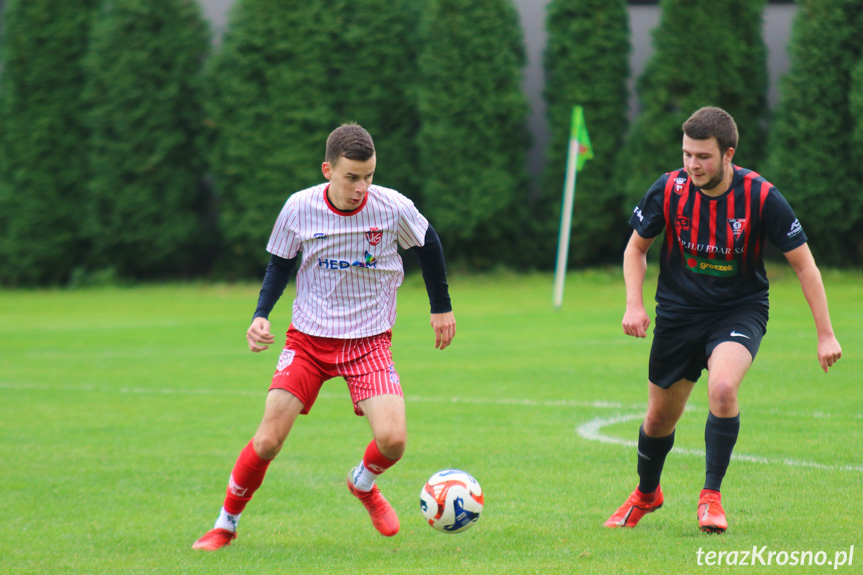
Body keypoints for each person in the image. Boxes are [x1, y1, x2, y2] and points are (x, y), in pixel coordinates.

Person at [193, 123, 456, 550]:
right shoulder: (298, 208)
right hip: (308, 342)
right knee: (267, 440)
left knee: (393, 441)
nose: (361, 187)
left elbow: (429, 244)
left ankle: (363, 484)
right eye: (352, 177)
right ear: (327, 170)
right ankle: (225, 524)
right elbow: (280, 264)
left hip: (369, 342)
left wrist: (440, 306)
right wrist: (260, 315)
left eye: (369, 176)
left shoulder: (392, 207)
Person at [604, 107, 841, 534]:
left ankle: (711, 498)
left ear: (728, 154)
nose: (692, 165)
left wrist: (825, 334)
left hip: (739, 310)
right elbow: (634, 249)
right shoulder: (670, 189)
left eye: (703, 156)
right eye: (687, 154)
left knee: (724, 387)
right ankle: (646, 493)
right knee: (658, 420)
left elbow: (806, 267)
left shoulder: (761, 196)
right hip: (678, 314)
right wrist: (633, 304)